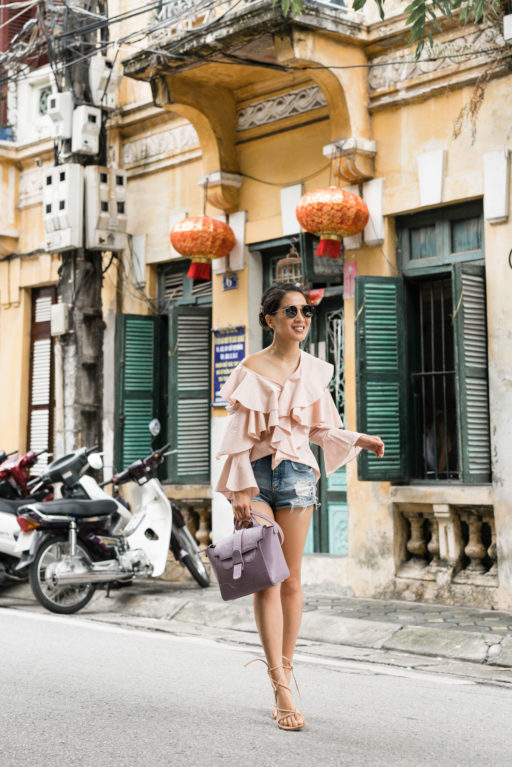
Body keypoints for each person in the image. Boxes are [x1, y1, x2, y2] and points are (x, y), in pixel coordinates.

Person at [215, 282, 385, 731]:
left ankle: (286, 671)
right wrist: (239, 491)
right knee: (266, 577)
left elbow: (320, 429)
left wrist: (358, 439)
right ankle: (280, 685)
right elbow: (237, 439)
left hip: (297, 476)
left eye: (306, 311)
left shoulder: (313, 371)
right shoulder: (250, 369)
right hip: (255, 479)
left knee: (290, 579)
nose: (300, 318)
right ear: (269, 319)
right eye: (290, 311)